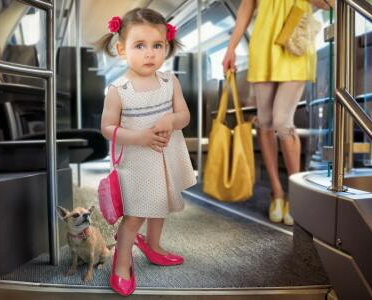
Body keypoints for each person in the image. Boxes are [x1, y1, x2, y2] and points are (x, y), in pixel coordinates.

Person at [93, 8, 196, 296]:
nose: (149, 53)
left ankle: (153, 244)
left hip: (165, 158)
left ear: (166, 46)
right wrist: (139, 136)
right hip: (137, 164)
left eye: (157, 46)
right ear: (122, 50)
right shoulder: (119, 89)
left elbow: (184, 115)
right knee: (136, 214)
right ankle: (122, 262)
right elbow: (107, 128)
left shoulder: (169, 81)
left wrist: (171, 120)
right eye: (140, 46)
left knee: (160, 202)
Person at [222, 0, 333, 226]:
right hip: (263, 46)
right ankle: (277, 192)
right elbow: (246, 8)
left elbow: (329, 5)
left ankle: (296, 193)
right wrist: (231, 47)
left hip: (296, 43)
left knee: (282, 122)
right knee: (265, 121)